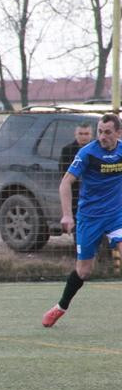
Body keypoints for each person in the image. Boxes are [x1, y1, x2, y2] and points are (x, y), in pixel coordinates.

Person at [42, 113, 122, 327]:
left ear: (118, 133)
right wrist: (67, 214)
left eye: (107, 132)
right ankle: (61, 307)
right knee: (84, 271)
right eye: (100, 132)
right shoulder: (87, 153)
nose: (102, 136)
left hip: (117, 216)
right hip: (90, 218)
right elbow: (65, 183)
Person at [58, 122, 93, 222]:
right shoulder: (67, 150)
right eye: (80, 134)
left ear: (91, 135)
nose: (83, 137)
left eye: (86, 134)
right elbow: (64, 173)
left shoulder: (96, 149)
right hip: (74, 195)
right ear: (75, 134)